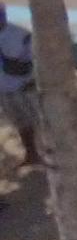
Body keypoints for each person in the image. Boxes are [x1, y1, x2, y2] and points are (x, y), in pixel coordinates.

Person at [1, 16, 36, 172]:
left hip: (24, 88)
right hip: (4, 90)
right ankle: (32, 154)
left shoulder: (20, 35)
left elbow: (32, 62)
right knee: (21, 122)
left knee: (41, 121)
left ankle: (52, 156)